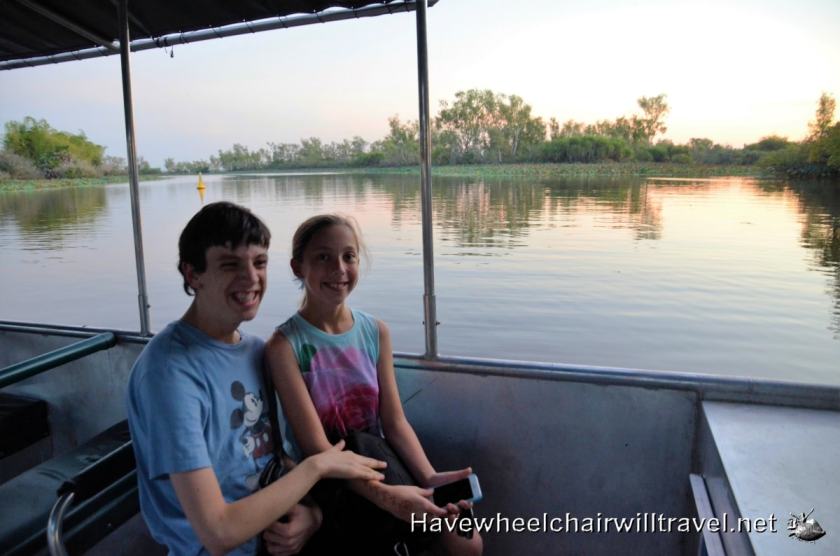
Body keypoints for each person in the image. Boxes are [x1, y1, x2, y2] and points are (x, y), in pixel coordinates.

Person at [126, 202, 386, 556]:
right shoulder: (170, 374)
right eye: (231, 265)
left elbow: (273, 458)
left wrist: (312, 513)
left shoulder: (252, 351)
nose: (251, 278)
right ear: (193, 274)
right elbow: (217, 532)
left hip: (279, 532)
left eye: (259, 263)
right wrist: (317, 466)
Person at [265, 214, 484, 555]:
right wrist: (386, 497)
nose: (339, 268)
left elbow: (394, 423)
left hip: (376, 458)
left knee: (467, 543)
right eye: (323, 257)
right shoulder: (284, 346)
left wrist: (428, 477)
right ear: (297, 267)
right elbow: (315, 449)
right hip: (326, 477)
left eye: (348, 256)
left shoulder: (375, 332)